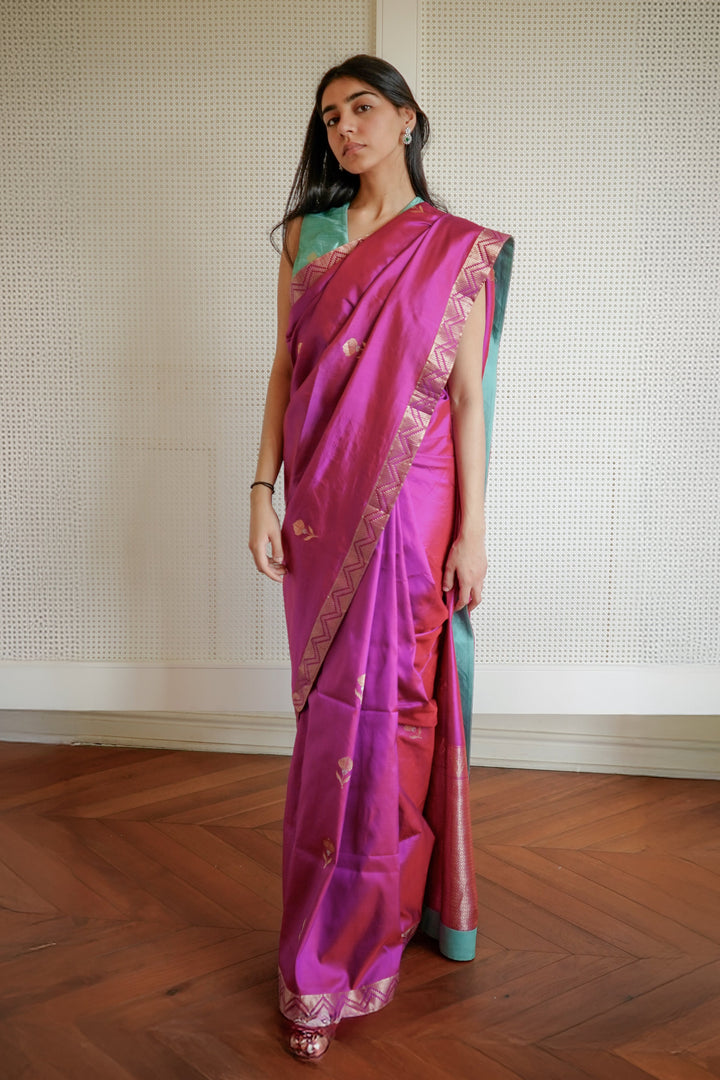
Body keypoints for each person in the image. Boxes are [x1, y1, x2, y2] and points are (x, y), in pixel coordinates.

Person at [249, 54, 513, 1062]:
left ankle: (381, 920)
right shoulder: (307, 238)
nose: (344, 129)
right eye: (328, 117)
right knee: (330, 720)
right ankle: (324, 928)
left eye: (362, 109)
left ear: (408, 118)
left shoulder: (459, 251)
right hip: (319, 509)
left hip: (417, 507)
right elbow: (284, 368)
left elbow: (468, 399)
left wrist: (473, 532)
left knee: (398, 709)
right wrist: (261, 491)